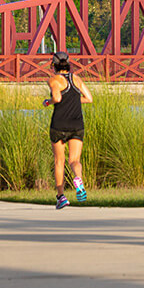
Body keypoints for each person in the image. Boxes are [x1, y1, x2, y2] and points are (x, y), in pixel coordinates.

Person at [42, 51, 93, 209]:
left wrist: (48, 102)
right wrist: (74, 101)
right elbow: (89, 98)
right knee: (74, 160)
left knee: (59, 161)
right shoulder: (77, 79)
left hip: (59, 124)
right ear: (68, 64)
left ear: (54, 65)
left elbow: (57, 98)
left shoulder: (53, 80)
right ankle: (78, 180)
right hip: (77, 124)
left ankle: (61, 197)